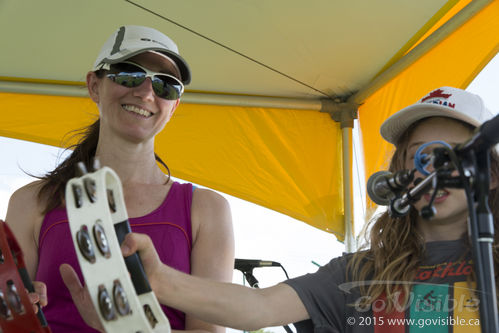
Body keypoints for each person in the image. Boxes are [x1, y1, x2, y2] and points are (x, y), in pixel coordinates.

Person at [62, 86, 499, 332]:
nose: (434, 167)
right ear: (401, 171)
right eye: (420, 154)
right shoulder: (359, 274)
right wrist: (158, 279)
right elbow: (258, 308)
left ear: (490, 174)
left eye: (454, 155)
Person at [6, 25, 234, 333]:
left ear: (174, 106)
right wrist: (15, 316)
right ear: (94, 85)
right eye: (129, 74)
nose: (145, 92)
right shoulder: (32, 201)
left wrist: (126, 328)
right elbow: (12, 320)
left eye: (166, 85)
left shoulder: (207, 210)